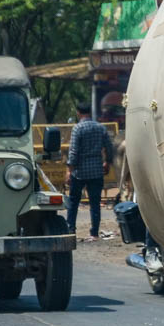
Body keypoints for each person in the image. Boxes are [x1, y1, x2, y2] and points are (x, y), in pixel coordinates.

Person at [66, 101, 115, 241]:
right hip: (96, 171)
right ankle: (94, 233)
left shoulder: (77, 128)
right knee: (95, 203)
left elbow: (73, 151)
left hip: (79, 172)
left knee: (73, 202)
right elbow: (109, 147)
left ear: (78, 113)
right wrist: (107, 162)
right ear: (90, 112)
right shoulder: (100, 128)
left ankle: (71, 230)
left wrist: (70, 170)